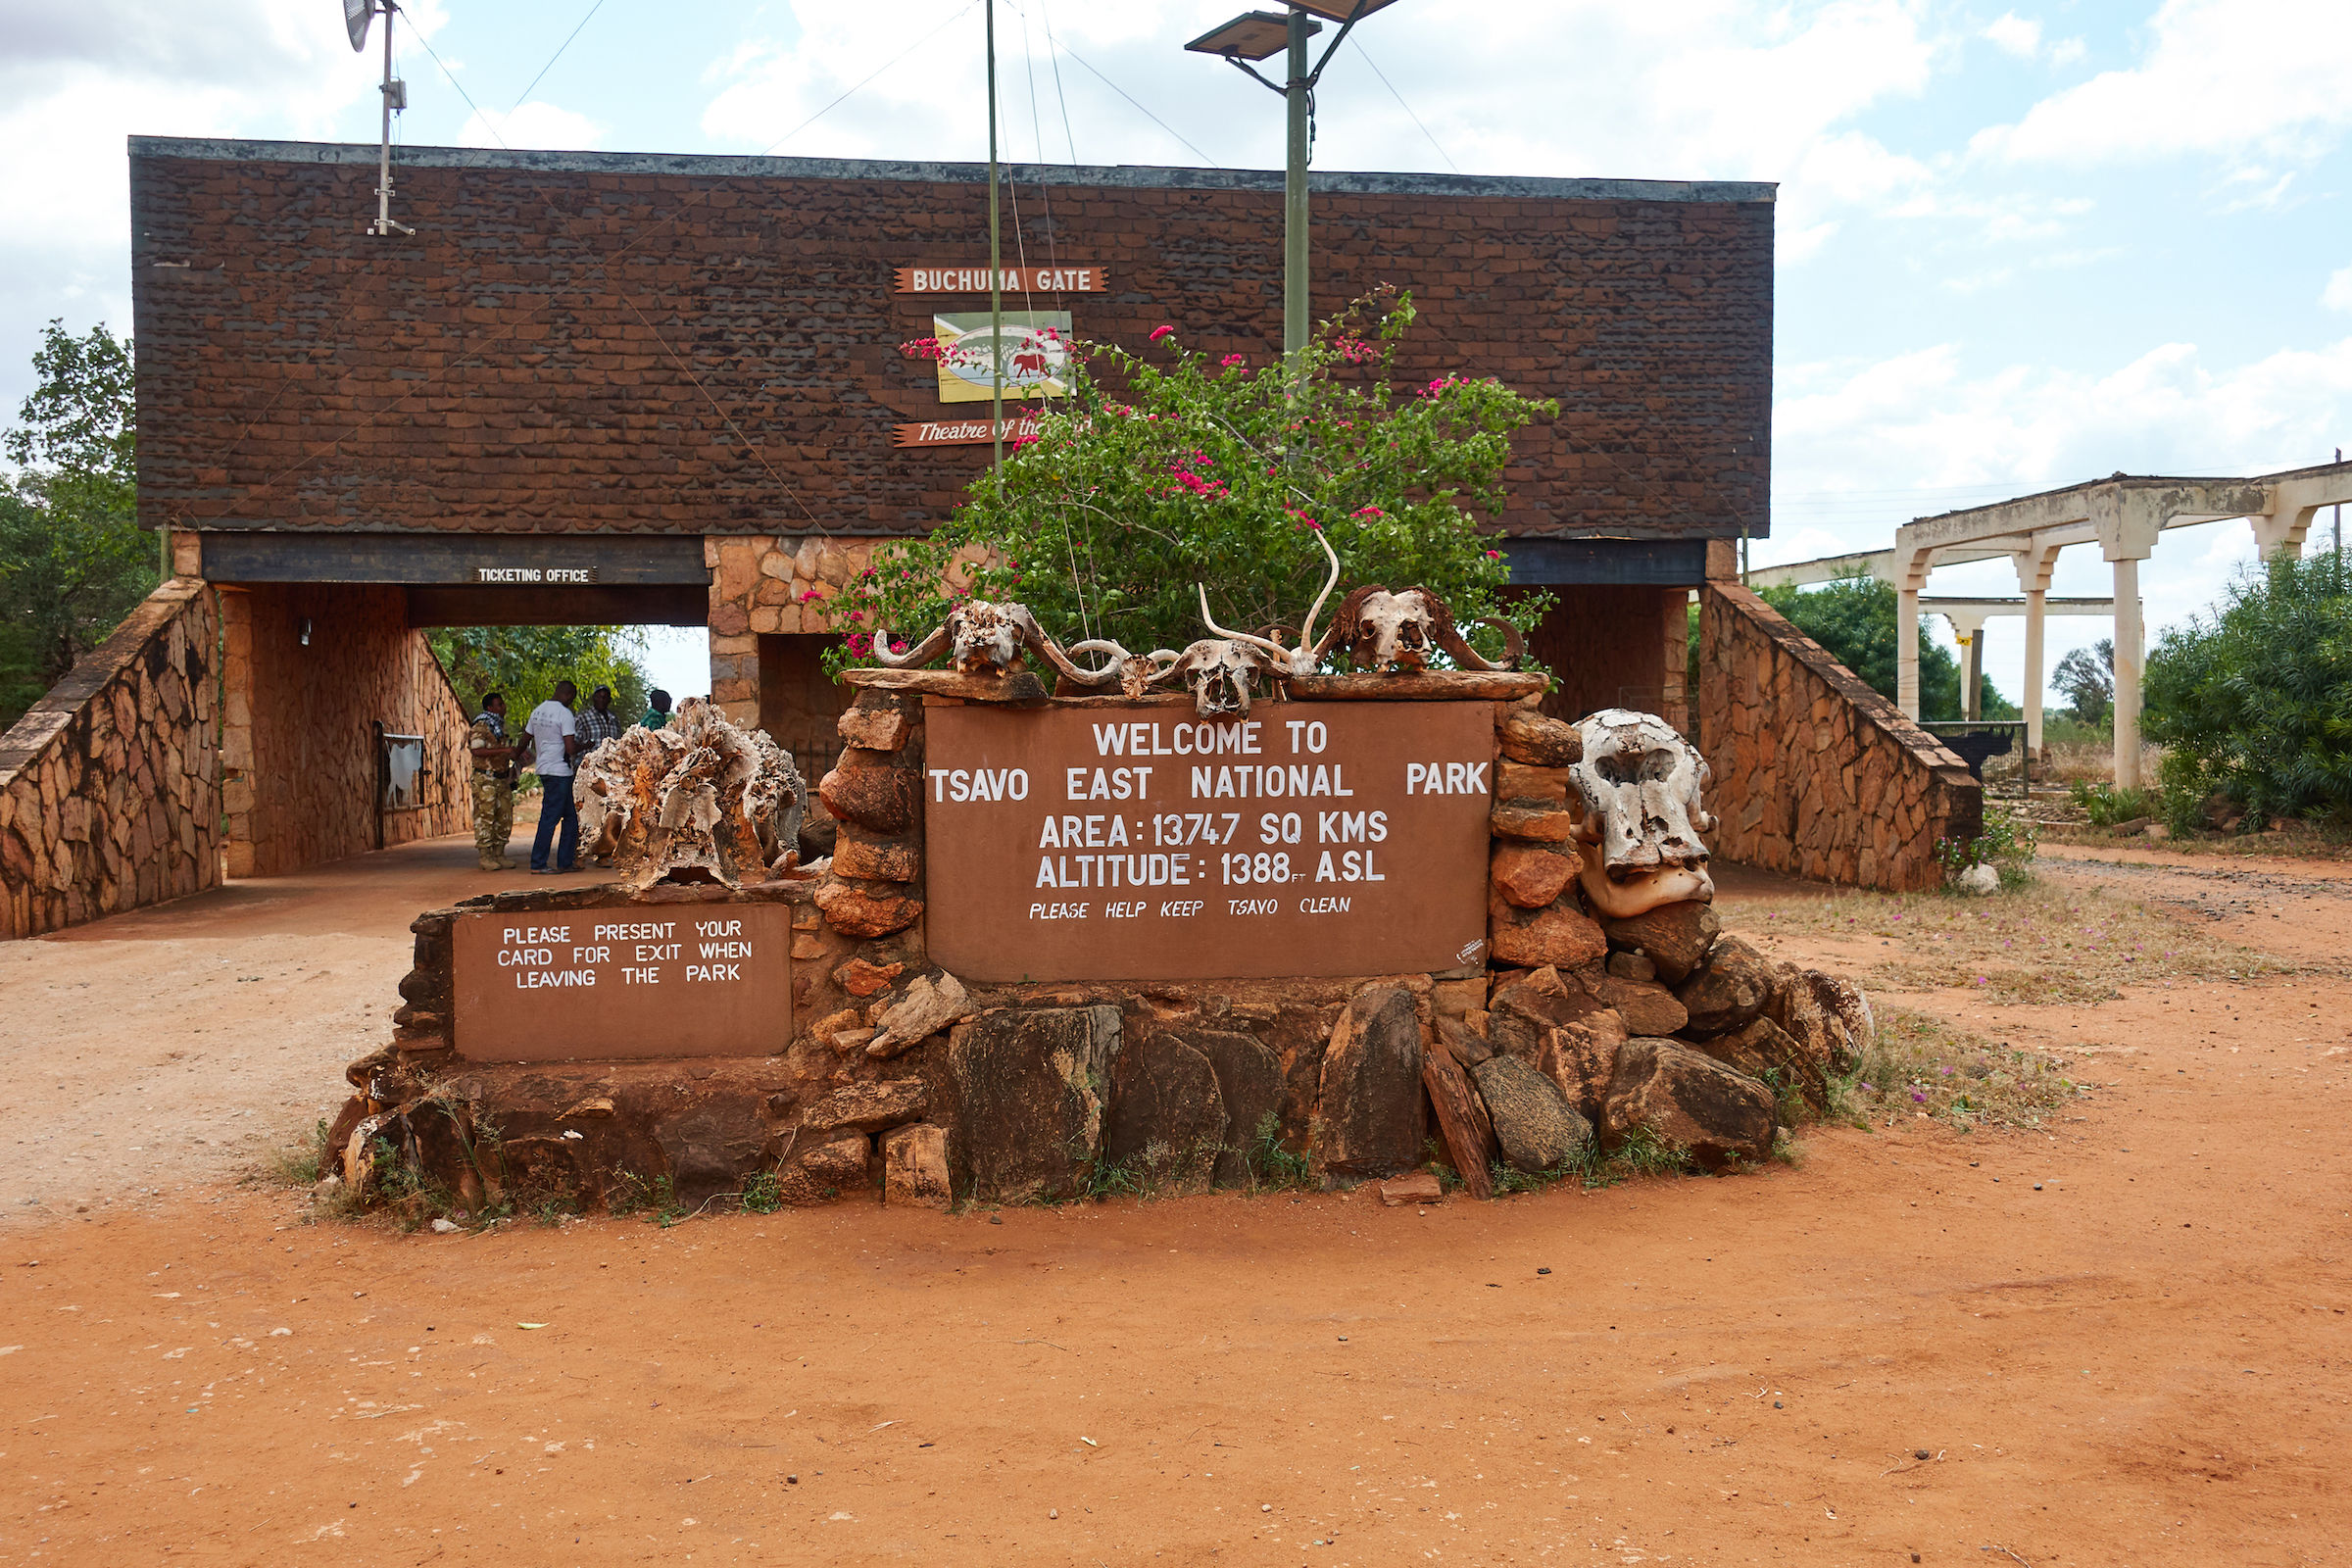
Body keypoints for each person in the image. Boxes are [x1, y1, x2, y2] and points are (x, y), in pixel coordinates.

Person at [525, 680, 583, 874]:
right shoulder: (564, 714)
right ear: (568, 695)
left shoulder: (538, 711)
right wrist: (586, 745)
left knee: (571, 818)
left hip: (545, 769)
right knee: (550, 817)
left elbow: (525, 738)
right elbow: (570, 748)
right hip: (559, 771)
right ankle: (538, 863)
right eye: (572, 698)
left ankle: (565, 862)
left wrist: (515, 754)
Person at [466, 691, 525, 872]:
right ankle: (486, 856)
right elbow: (476, 751)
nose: (503, 707)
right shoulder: (482, 725)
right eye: (499, 704)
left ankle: (499, 853)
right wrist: (503, 751)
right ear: (490, 708)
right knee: (486, 817)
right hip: (486, 778)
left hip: (502, 778)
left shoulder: (499, 726)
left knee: (504, 817)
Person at [578, 684, 624, 754]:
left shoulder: (614, 720)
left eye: (604, 697)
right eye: (598, 697)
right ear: (593, 698)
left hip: (611, 762)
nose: (601, 700)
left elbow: (619, 742)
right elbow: (572, 745)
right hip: (590, 762)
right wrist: (586, 745)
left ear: (609, 700)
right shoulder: (583, 718)